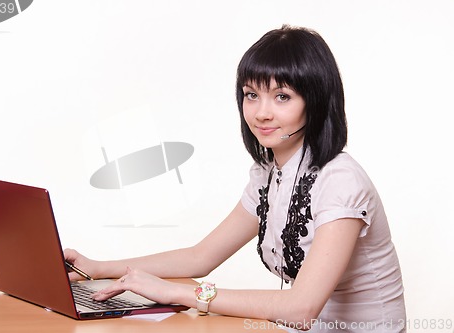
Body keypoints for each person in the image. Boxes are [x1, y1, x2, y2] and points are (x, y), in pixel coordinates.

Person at [65, 25, 406, 332]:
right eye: (251, 94)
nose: (261, 112)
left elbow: (301, 308)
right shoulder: (269, 174)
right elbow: (201, 257)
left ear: (315, 102)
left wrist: (177, 292)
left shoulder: (340, 180)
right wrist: (97, 269)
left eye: (282, 97)